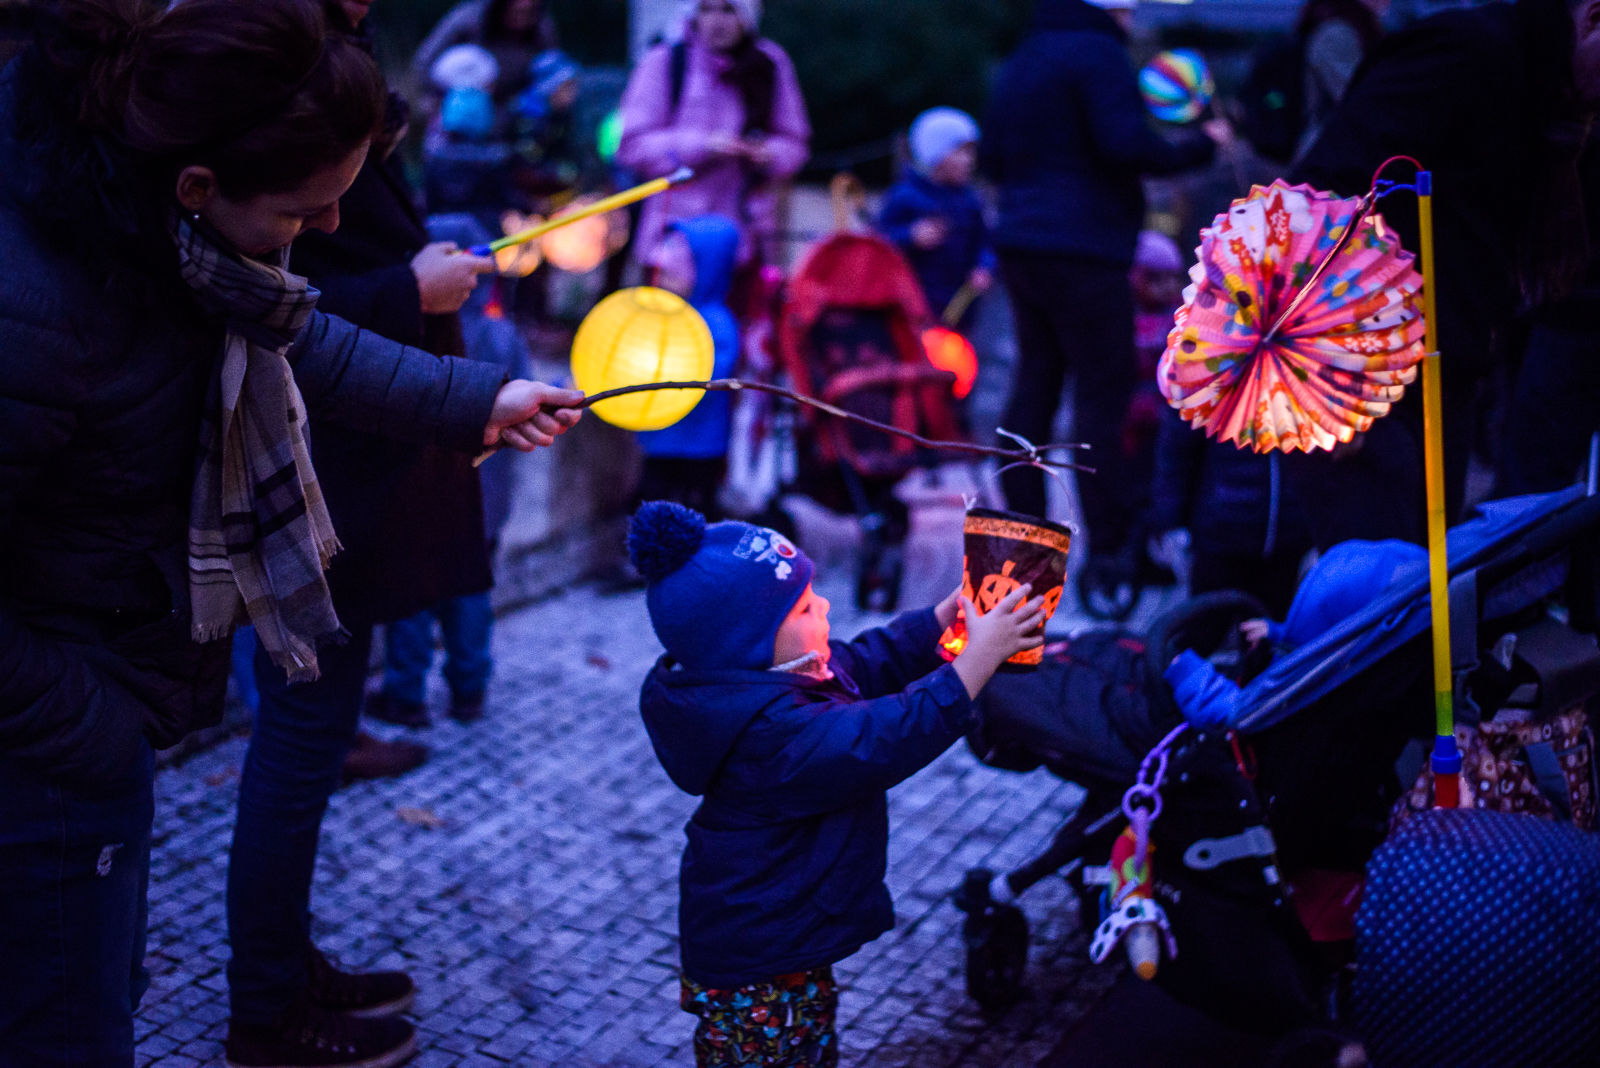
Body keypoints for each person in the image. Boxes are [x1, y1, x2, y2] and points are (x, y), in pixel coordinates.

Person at [0, 1, 582, 1065]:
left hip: (102, 701)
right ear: (198, 188)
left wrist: (475, 400)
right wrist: (88, 725)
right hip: (53, 730)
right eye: (306, 210)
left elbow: (297, 332)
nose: (328, 226)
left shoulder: (171, 236)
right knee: (66, 1023)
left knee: (104, 985)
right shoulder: (40, 309)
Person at [220, 0, 509, 1063]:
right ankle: (265, 1006)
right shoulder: (262, 57)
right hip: (315, 463)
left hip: (357, 454)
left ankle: (285, 963)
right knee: (300, 740)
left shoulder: (340, 41)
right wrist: (406, 289)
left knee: (313, 733)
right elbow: (275, 299)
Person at [627, 501, 1046, 1067]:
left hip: (788, 941)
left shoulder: (781, 676)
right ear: (749, 647)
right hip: (757, 971)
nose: (823, 605)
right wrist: (975, 662)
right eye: (804, 606)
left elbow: (867, 662)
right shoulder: (770, 734)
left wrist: (939, 620)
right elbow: (880, 738)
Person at [1286, 0, 1600, 549]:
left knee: (1419, 580)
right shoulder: (1472, 54)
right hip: (1370, 374)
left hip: (1440, 370)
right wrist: (1332, 367)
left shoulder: (1539, 88)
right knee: (1383, 582)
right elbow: (1325, 191)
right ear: (1593, 18)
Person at [980, 0, 1220, 561]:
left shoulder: (1027, 52)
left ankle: (1021, 534)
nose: (1130, 21)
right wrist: (1199, 146)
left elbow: (990, 155)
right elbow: (1123, 144)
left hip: (1022, 242)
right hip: (1085, 247)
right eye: (1127, 11)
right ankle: (1111, 548)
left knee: (1035, 383)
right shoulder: (1100, 53)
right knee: (1103, 392)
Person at [617, 0, 811, 273]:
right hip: (674, 241)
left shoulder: (769, 64)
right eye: (706, 9)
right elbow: (631, 146)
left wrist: (767, 154)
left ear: (747, 16)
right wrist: (703, 145)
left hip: (747, 237)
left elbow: (795, 142)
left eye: (728, 10)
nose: (716, 21)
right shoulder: (665, 61)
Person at [1164, 540, 1427, 728]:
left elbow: (1238, 712)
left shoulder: (1308, 683)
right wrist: (1282, 635)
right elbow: (1328, 637)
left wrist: (1184, 672)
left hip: (1268, 753)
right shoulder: (1376, 662)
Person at [635, 215, 743, 517]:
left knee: (694, 511)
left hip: (700, 444)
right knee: (652, 504)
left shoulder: (717, 323)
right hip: (658, 439)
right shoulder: (665, 314)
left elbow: (712, 376)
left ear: (708, 269)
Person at [878, 107, 996, 330]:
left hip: (958, 307)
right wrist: (910, 235)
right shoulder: (904, 196)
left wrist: (985, 266)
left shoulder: (970, 201)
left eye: (972, 152)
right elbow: (879, 241)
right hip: (912, 307)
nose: (970, 161)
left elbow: (985, 241)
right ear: (936, 152)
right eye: (961, 152)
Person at [411, 0, 558, 108]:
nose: (524, 5)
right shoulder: (469, 20)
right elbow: (424, 62)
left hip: (516, 109)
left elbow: (556, 70)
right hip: (459, 105)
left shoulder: (541, 29)